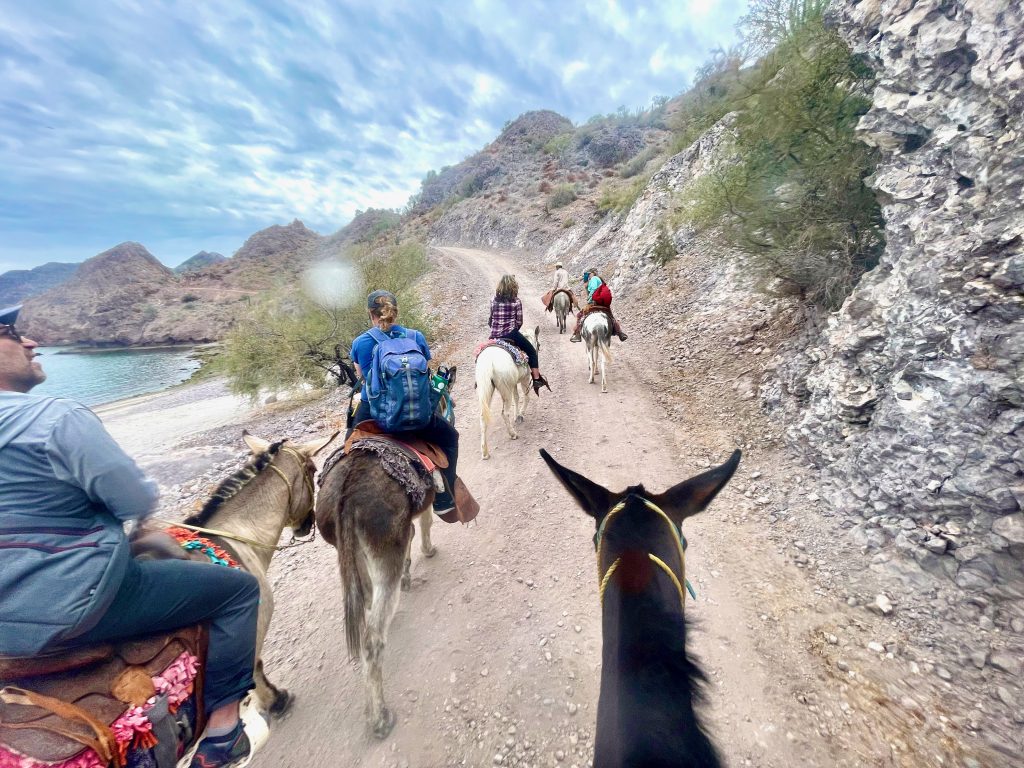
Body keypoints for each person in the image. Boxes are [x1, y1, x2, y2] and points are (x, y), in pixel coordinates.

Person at [0, 305, 259, 768]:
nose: (31, 342)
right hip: (79, 604)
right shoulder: (55, 417)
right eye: (11, 334)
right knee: (238, 591)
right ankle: (224, 733)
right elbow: (135, 500)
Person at [350, 290, 460, 517]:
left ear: (370, 314)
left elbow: (361, 376)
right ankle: (444, 497)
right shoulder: (415, 336)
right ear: (396, 311)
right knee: (450, 438)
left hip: (375, 413)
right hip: (417, 414)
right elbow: (424, 374)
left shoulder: (360, 342)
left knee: (348, 447)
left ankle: (347, 500)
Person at [488, 275, 550, 395]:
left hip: (494, 335)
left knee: (482, 352)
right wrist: (513, 331)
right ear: (513, 287)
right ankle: (536, 379)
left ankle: (479, 380)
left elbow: (490, 319)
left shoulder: (493, 299)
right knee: (532, 351)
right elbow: (519, 321)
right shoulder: (516, 301)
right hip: (510, 334)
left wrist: (496, 329)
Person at [569, 268, 628, 343]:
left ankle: (577, 334)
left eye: (588, 274)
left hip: (594, 302)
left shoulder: (594, 279)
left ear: (592, 273)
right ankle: (620, 333)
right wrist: (586, 286)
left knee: (580, 315)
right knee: (611, 316)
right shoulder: (597, 280)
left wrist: (589, 299)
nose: (588, 276)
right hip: (602, 302)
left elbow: (593, 290)